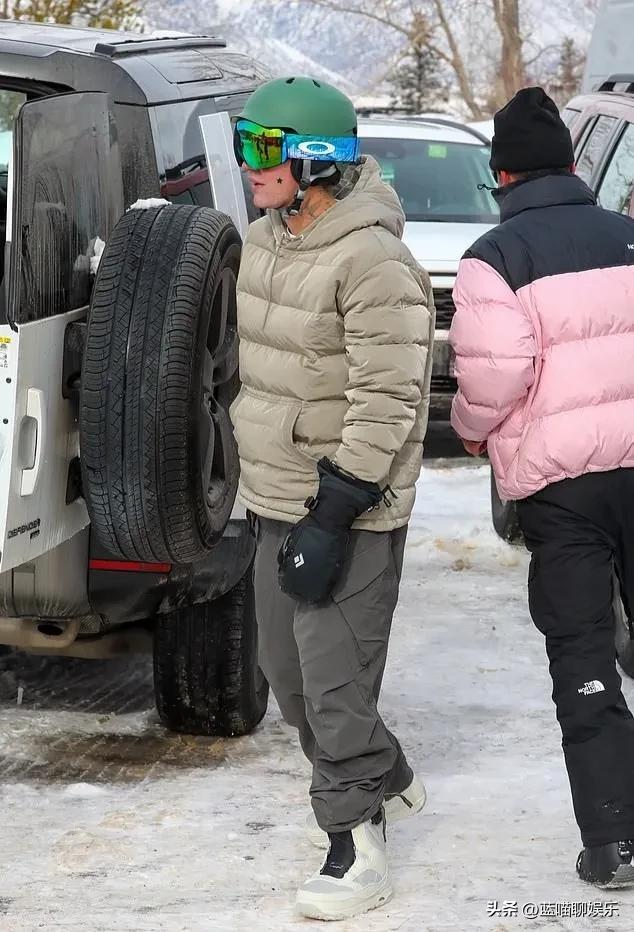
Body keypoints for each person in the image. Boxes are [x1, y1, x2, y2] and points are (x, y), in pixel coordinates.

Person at [230, 76, 434, 920]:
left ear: (317, 161)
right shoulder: (264, 237)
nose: (250, 165)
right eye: (246, 145)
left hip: (348, 504)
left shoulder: (374, 259)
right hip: (275, 496)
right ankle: (384, 770)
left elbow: (389, 397)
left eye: (264, 148)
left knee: (335, 682)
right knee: (286, 675)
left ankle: (356, 840)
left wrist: (338, 505)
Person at [449, 86, 634, 888]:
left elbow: (499, 374)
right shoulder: (628, 236)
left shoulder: (495, 258)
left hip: (564, 491)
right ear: (572, 163)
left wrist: (470, 427)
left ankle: (614, 840)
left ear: (502, 174)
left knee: (584, 652)